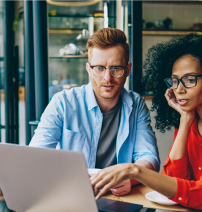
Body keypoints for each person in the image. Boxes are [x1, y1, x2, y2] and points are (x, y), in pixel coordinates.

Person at [90, 34, 202, 211]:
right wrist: (185, 121)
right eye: (175, 81)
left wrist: (134, 171)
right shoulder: (188, 121)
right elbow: (174, 183)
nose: (179, 89)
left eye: (190, 80)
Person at [29, 28, 160, 196]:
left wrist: (131, 178)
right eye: (99, 68)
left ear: (128, 70)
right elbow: (36, 156)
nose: (107, 77)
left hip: (119, 198)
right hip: (72, 195)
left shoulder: (136, 104)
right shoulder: (63, 102)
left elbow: (149, 157)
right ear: (88, 69)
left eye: (116, 68)